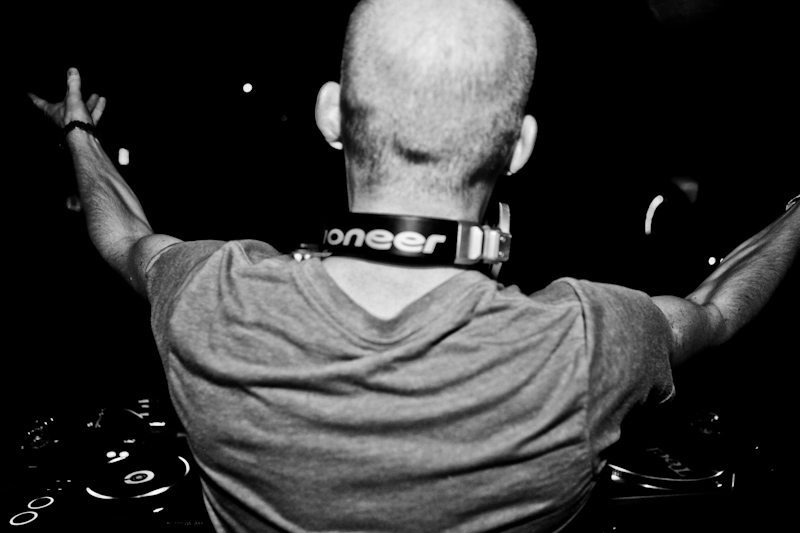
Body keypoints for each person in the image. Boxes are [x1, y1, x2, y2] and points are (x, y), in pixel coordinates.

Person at [29, 0, 798, 531]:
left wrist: (77, 133)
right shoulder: (592, 339)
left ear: (332, 114)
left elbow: (123, 235)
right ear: (519, 146)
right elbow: (718, 306)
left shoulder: (209, 295)